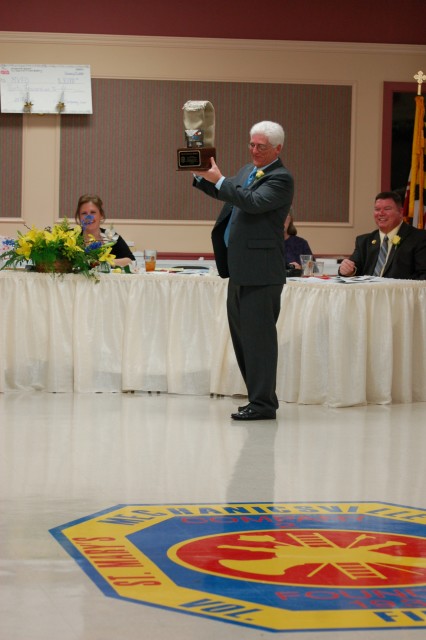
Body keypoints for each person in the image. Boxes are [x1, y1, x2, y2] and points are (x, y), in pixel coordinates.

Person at [193, 120, 294, 421]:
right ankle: (257, 399)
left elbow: (250, 202)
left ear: (278, 148)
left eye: (261, 147)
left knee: (259, 341)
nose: (254, 151)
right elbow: (229, 194)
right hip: (239, 270)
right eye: (251, 144)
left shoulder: (281, 178)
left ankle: (264, 404)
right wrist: (203, 178)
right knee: (243, 340)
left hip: (261, 273)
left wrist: (221, 180)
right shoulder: (246, 171)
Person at [339, 191, 426, 279]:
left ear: (400, 212)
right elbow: (354, 268)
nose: (381, 213)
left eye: (387, 209)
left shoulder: (419, 238)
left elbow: (423, 275)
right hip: (367, 291)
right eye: (377, 209)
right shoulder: (364, 241)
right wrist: (348, 270)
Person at [74, 194, 135, 268]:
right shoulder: (69, 236)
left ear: (101, 215)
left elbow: (131, 261)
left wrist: (103, 263)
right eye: (84, 213)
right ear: (79, 217)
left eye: (93, 212)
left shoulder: (111, 237)